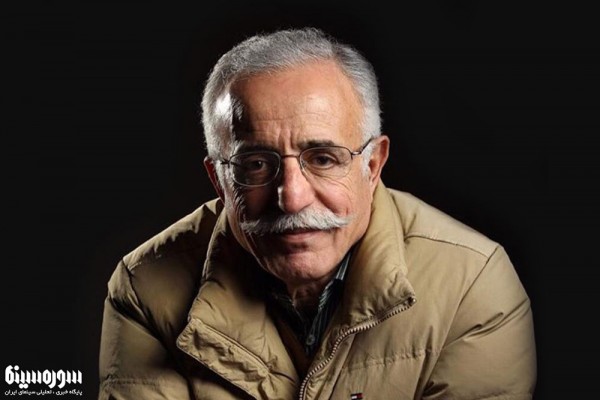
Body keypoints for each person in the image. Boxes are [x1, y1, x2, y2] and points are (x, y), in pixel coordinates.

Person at [98, 27, 536, 399]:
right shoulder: (145, 288)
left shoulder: (472, 283)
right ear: (219, 180)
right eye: (256, 164)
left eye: (323, 158)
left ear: (373, 165)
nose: (291, 198)